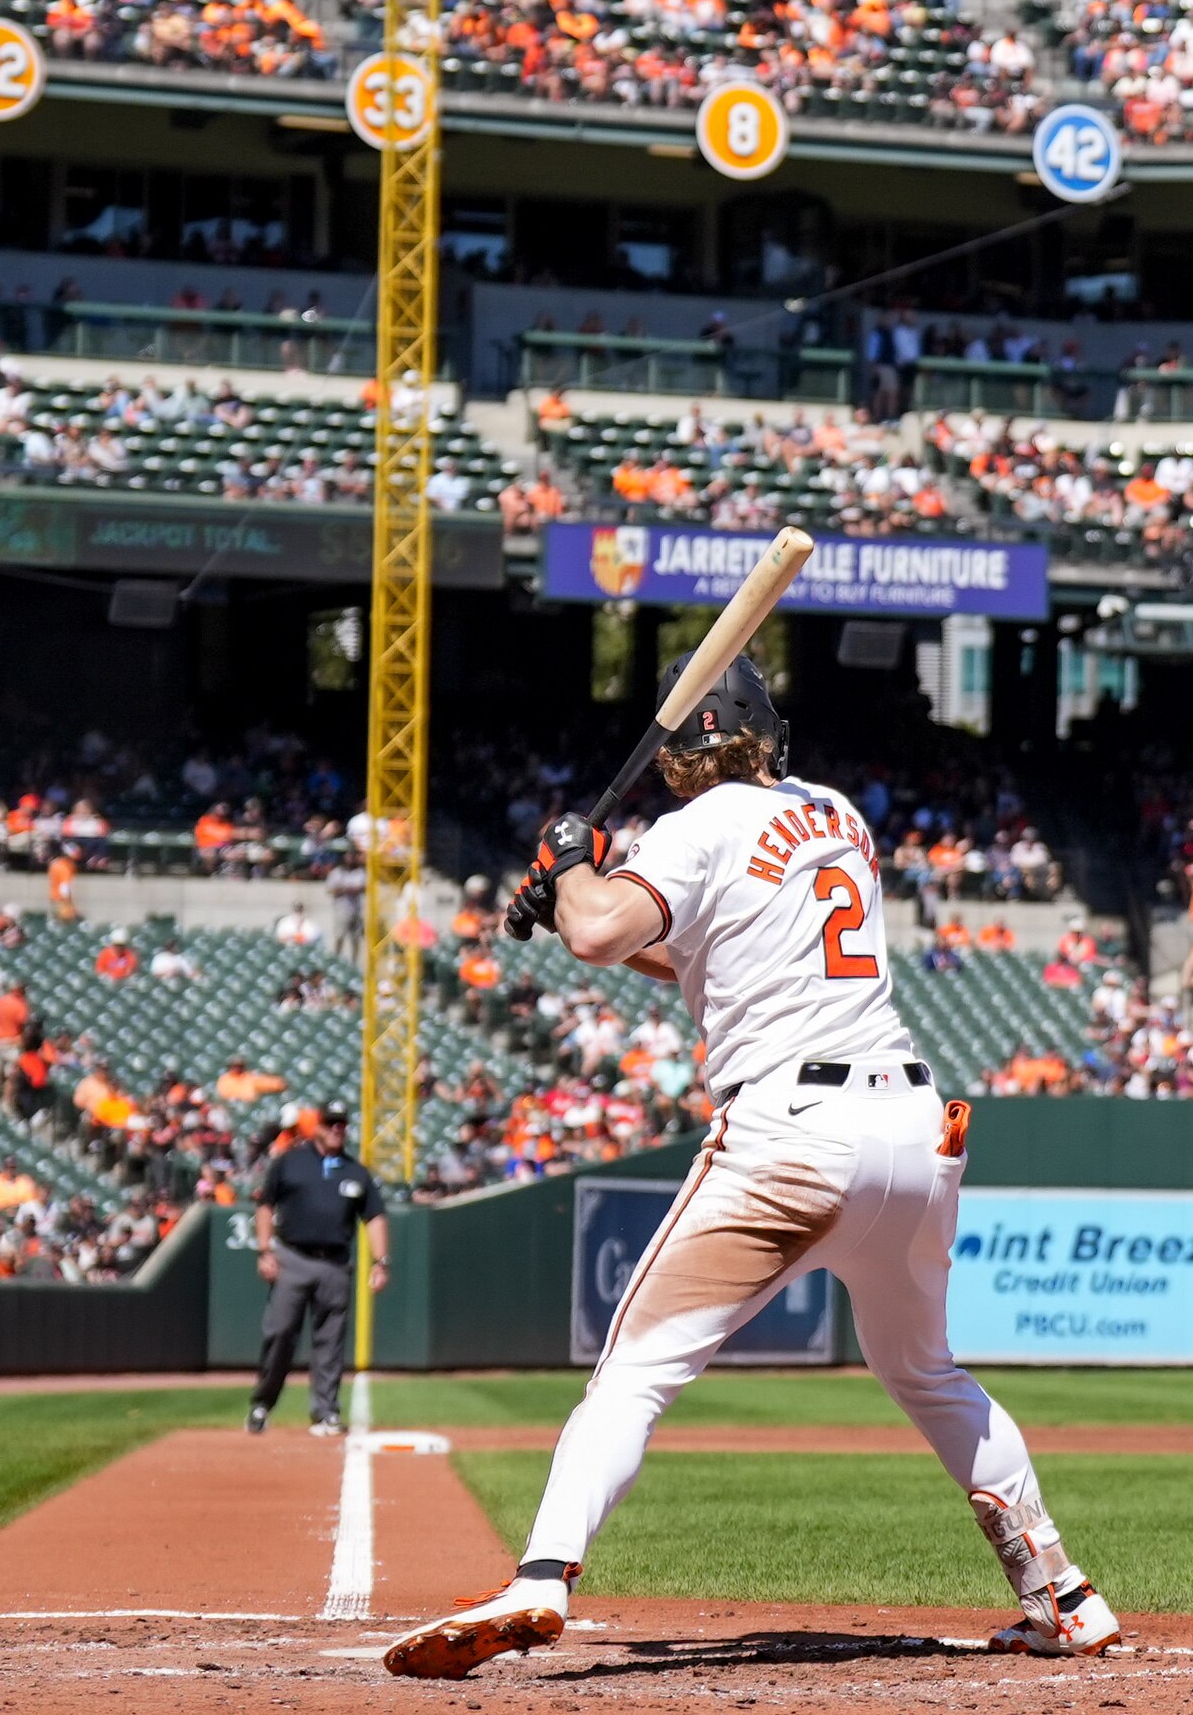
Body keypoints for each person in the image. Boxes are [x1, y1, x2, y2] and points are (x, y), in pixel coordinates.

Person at [383, 655, 1120, 1680]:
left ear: (685, 750)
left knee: (633, 1375)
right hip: (913, 1131)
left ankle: (542, 1577)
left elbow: (606, 930)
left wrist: (571, 865)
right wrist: (569, 899)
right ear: (768, 734)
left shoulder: (694, 827)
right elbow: (692, 947)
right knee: (928, 1373)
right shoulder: (836, 814)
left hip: (791, 1132)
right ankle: (1066, 1598)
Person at [246, 1103, 385, 1437]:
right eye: (330, 1123)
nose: (337, 1128)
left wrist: (382, 1261)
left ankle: (325, 1412)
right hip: (293, 1257)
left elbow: (375, 1216)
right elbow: (265, 1206)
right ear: (317, 1126)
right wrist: (265, 1250)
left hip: (335, 1262)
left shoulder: (356, 1171)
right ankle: (262, 1404)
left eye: (342, 1124)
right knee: (280, 1333)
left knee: (330, 1342)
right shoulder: (290, 1162)